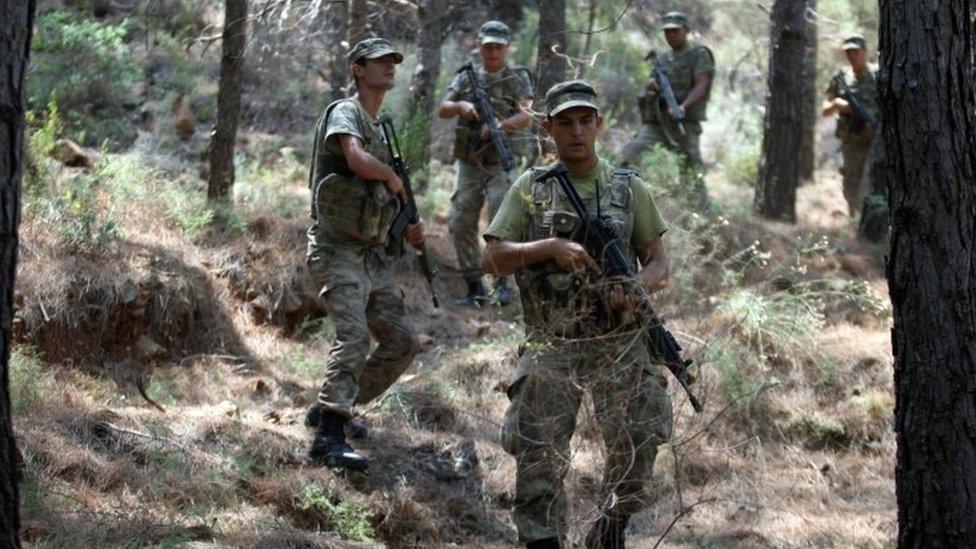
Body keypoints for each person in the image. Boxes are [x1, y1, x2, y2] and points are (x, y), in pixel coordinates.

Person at [482, 80, 673, 549]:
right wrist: (548, 247)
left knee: (642, 433)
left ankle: (610, 529)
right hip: (554, 339)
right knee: (538, 450)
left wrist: (634, 288)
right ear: (548, 129)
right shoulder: (531, 187)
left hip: (619, 340)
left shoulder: (629, 189)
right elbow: (493, 258)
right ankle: (543, 540)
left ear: (598, 125)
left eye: (585, 120)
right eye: (564, 122)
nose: (576, 132)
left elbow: (660, 261)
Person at [304, 37, 424, 471]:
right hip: (336, 250)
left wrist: (408, 223)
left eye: (394, 61)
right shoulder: (346, 112)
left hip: (370, 256)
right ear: (357, 68)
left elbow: (379, 197)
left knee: (401, 342)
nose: (390, 67)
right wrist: (391, 177)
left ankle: (333, 407)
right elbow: (355, 161)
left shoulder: (380, 127)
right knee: (354, 336)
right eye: (379, 61)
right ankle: (327, 438)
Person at [438, 20, 535, 307]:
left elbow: (527, 114)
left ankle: (501, 282)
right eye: (488, 46)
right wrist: (460, 106)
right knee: (460, 221)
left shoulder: (517, 77)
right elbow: (444, 108)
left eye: (498, 47)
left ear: (506, 48)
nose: (492, 52)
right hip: (469, 163)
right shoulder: (466, 77)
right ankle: (473, 285)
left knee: (500, 220)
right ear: (479, 46)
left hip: (500, 164)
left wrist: (499, 127)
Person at [618, 11, 713, 210]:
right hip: (658, 122)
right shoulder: (662, 59)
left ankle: (701, 212)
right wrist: (651, 84)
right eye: (667, 32)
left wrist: (682, 107)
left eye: (675, 31)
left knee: (692, 169)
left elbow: (702, 85)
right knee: (629, 154)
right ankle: (617, 200)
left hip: (683, 123)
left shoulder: (699, 54)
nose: (670, 35)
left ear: (686, 30)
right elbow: (650, 86)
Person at [821, 34, 879, 217]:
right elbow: (825, 109)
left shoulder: (877, 75)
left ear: (864, 51)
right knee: (850, 183)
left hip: (875, 139)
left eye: (855, 51)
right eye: (848, 52)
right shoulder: (841, 77)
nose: (852, 55)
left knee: (872, 182)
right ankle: (855, 219)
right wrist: (837, 104)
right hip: (851, 141)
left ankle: (872, 223)